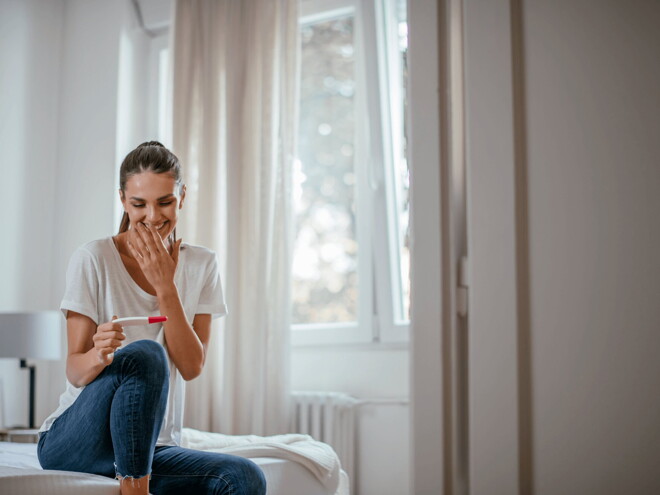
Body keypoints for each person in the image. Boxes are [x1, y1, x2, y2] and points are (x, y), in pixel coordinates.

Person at [37, 141, 266, 495]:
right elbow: (75, 370)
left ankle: (135, 472)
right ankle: (136, 490)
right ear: (123, 200)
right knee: (145, 353)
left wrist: (166, 287)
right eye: (138, 204)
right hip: (76, 441)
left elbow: (191, 367)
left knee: (245, 477)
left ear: (182, 196)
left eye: (165, 202)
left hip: (153, 447)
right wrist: (99, 355)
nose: (153, 216)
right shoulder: (93, 258)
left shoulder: (202, 263)